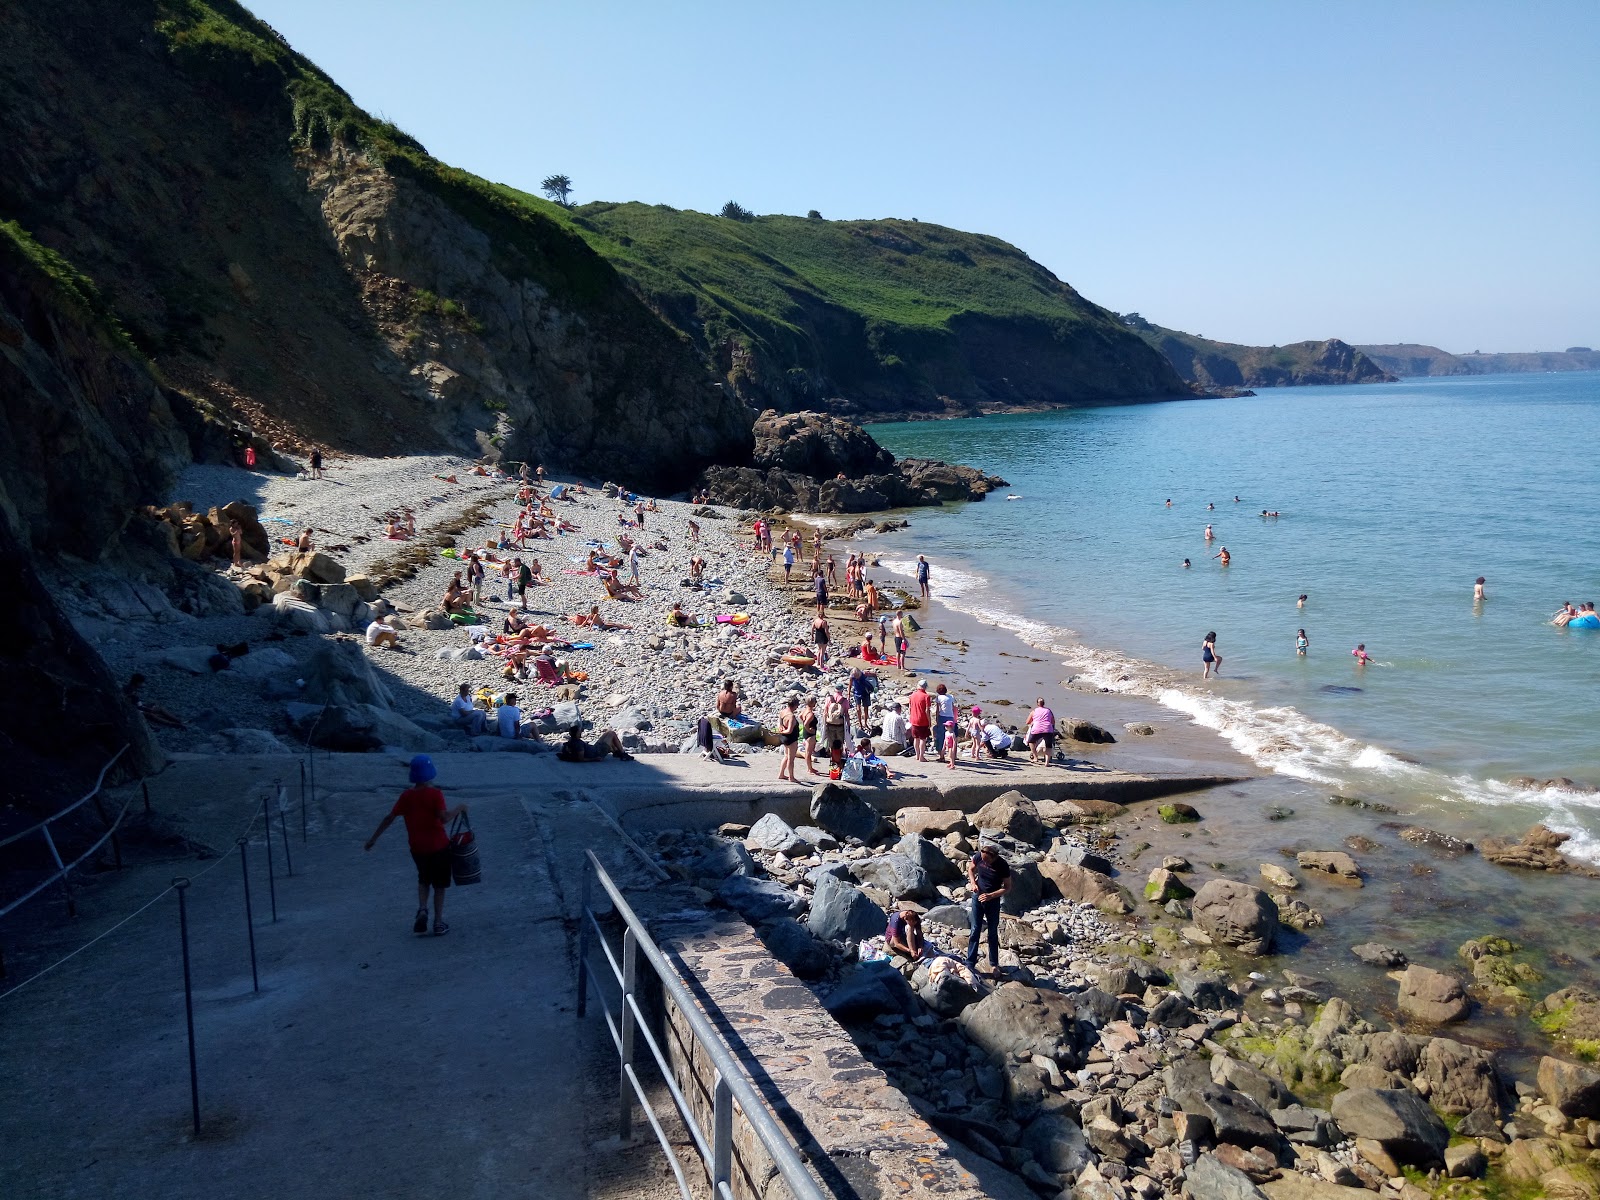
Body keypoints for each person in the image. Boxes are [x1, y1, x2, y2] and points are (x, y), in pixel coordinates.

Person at [364, 755, 466, 937]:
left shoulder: (406, 796)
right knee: (440, 886)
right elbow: (444, 818)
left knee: (424, 879)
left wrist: (373, 839)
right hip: (438, 846)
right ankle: (438, 922)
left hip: (417, 847)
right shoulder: (435, 794)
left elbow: (390, 818)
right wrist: (460, 808)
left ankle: (422, 908)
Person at [965, 841, 1012, 976]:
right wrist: (973, 883)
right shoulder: (979, 856)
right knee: (975, 930)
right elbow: (971, 868)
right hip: (977, 897)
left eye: (987, 860)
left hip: (992, 901)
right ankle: (970, 962)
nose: (984, 862)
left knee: (992, 932)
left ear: (993, 857)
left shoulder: (1002, 865)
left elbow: (1007, 887)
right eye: (983, 859)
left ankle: (994, 964)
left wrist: (991, 895)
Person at [558, 726, 634, 762]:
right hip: (597, 753)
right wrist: (594, 759)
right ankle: (622, 753)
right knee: (612, 734)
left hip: (594, 748)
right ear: (576, 733)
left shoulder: (572, 740)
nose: (581, 732)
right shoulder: (578, 744)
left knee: (608, 732)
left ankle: (617, 752)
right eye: (579, 731)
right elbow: (580, 758)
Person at [907, 680, 933, 762]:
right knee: (923, 739)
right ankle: (921, 756)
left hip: (914, 719)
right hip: (922, 720)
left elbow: (910, 708)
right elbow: (927, 711)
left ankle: (917, 755)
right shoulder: (926, 696)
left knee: (916, 738)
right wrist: (929, 721)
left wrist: (910, 717)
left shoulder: (912, 695)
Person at [776, 697, 801, 782]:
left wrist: (780, 728)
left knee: (786, 756)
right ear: (794, 705)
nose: (797, 707)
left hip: (784, 738)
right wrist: (782, 732)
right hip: (791, 738)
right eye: (797, 705)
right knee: (791, 759)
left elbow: (779, 723)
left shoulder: (783, 712)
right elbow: (790, 730)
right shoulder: (791, 716)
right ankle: (791, 777)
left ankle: (781, 774)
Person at [1026, 698, 1056, 764]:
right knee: (1048, 746)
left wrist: (1033, 722)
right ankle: (1047, 763)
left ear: (1037, 704)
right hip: (1047, 729)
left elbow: (1027, 722)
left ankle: (1035, 757)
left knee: (1031, 741)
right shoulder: (1048, 710)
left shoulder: (1034, 711)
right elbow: (1053, 721)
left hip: (1037, 728)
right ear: (1044, 703)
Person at [933, 683, 955, 763]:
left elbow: (938, 709)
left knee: (941, 737)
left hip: (942, 717)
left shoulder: (938, 698)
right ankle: (953, 755)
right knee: (952, 737)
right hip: (951, 717)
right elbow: (953, 708)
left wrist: (937, 719)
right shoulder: (951, 697)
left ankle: (941, 755)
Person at [822, 689, 848, 755]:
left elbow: (825, 712)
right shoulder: (844, 700)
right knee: (840, 742)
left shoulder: (829, 699)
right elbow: (846, 713)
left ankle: (832, 757)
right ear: (842, 691)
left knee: (831, 742)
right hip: (840, 725)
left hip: (830, 724)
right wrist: (848, 725)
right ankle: (840, 756)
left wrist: (824, 723)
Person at [800, 696, 820, 775]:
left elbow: (800, 716)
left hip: (806, 733)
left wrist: (806, 727)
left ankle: (810, 768)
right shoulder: (810, 714)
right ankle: (809, 769)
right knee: (808, 752)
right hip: (810, 734)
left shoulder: (805, 710)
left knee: (808, 751)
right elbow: (805, 724)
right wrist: (810, 730)